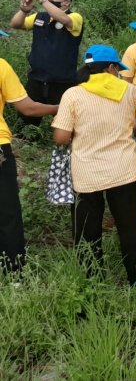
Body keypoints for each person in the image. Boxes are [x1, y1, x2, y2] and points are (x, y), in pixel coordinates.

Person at [52, 45, 136, 286]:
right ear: (112, 67)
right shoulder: (130, 91)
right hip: (124, 170)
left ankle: (92, 281)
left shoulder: (72, 94)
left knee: (86, 230)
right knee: (130, 227)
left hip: (86, 173)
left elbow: (61, 137)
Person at [0, 57, 57, 272]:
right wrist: (59, 108)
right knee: (6, 211)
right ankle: (12, 270)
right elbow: (28, 108)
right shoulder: (1, 66)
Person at [9, 0, 83, 126]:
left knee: (66, 121)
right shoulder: (40, 17)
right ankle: (29, 143)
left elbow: (65, 20)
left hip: (62, 81)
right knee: (26, 123)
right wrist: (23, 11)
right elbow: (16, 24)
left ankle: (64, 146)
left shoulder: (75, 17)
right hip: (36, 78)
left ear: (67, 2)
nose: (49, 0)